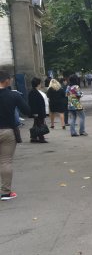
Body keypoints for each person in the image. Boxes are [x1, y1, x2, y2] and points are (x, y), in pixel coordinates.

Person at [0, 70, 32, 200]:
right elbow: (27, 111)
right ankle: (6, 192)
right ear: (7, 80)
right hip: (8, 131)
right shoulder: (13, 95)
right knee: (5, 161)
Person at [28, 77, 48, 143]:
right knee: (40, 125)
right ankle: (41, 138)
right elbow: (33, 103)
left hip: (39, 111)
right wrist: (35, 112)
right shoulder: (33, 92)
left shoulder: (34, 91)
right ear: (38, 84)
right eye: (40, 83)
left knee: (36, 124)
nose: (41, 85)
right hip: (38, 112)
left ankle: (34, 137)